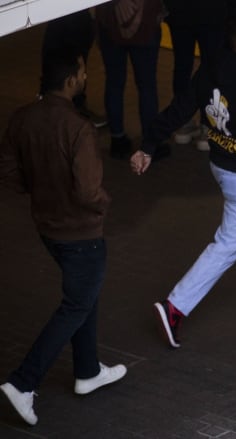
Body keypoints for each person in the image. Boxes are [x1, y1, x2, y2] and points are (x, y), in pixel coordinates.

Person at [129, 9, 236, 349]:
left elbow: (180, 108)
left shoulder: (209, 70)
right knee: (228, 244)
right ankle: (175, 307)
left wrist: (149, 144)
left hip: (220, 165)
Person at [0, 47, 126, 426]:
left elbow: (7, 169)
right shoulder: (78, 128)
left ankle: (87, 372)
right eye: (83, 72)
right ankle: (22, 383)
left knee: (83, 297)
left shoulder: (22, 118)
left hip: (47, 227)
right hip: (82, 233)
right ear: (71, 80)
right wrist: (104, 204)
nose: (86, 77)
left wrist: (34, 188)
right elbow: (88, 191)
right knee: (76, 305)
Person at [163, 0, 236, 151]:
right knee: (212, 70)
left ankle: (182, 122)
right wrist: (234, 14)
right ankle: (208, 126)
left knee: (182, 67)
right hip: (213, 13)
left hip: (180, 13)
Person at [95, 0, 167, 159]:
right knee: (147, 86)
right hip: (146, 22)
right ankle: (150, 143)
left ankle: (117, 138)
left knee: (114, 83)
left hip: (110, 21)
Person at [40, 8, 106, 128]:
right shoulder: (81, 135)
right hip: (69, 20)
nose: (85, 76)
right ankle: (77, 110)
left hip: (68, 18)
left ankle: (75, 109)